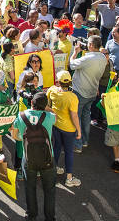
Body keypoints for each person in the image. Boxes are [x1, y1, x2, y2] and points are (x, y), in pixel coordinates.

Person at [11, 91, 56, 221]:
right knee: (49, 190)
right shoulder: (49, 116)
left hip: (28, 158)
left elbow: (15, 135)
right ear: (45, 105)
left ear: (31, 102)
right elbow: (55, 114)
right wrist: (47, 108)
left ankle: (31, 215)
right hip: (48, 158)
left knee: (30, 188)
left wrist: (23, 137)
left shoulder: (21, 116)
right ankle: (50, 218)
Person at [69, 35, 109, 152]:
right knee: (86, 117)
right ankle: (85, 141)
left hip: (80, 91)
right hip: (92, 91)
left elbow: (72, 65)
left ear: (91, 45)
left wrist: (75, 52)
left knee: (77, 117)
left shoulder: (87, 58)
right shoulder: (103, 58)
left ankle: (78, 144)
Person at [46, 70, 82, 187]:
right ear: (70, 82)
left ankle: (53, 171)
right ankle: (69, 178)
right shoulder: (73, 97)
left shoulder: (52, 90)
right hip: (69, 129)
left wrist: (53, 112)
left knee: (56, 147)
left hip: (56, 125)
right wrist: (79, 130)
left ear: (58, 81)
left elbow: (47, 105)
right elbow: (74, 116)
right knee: (69, 152)